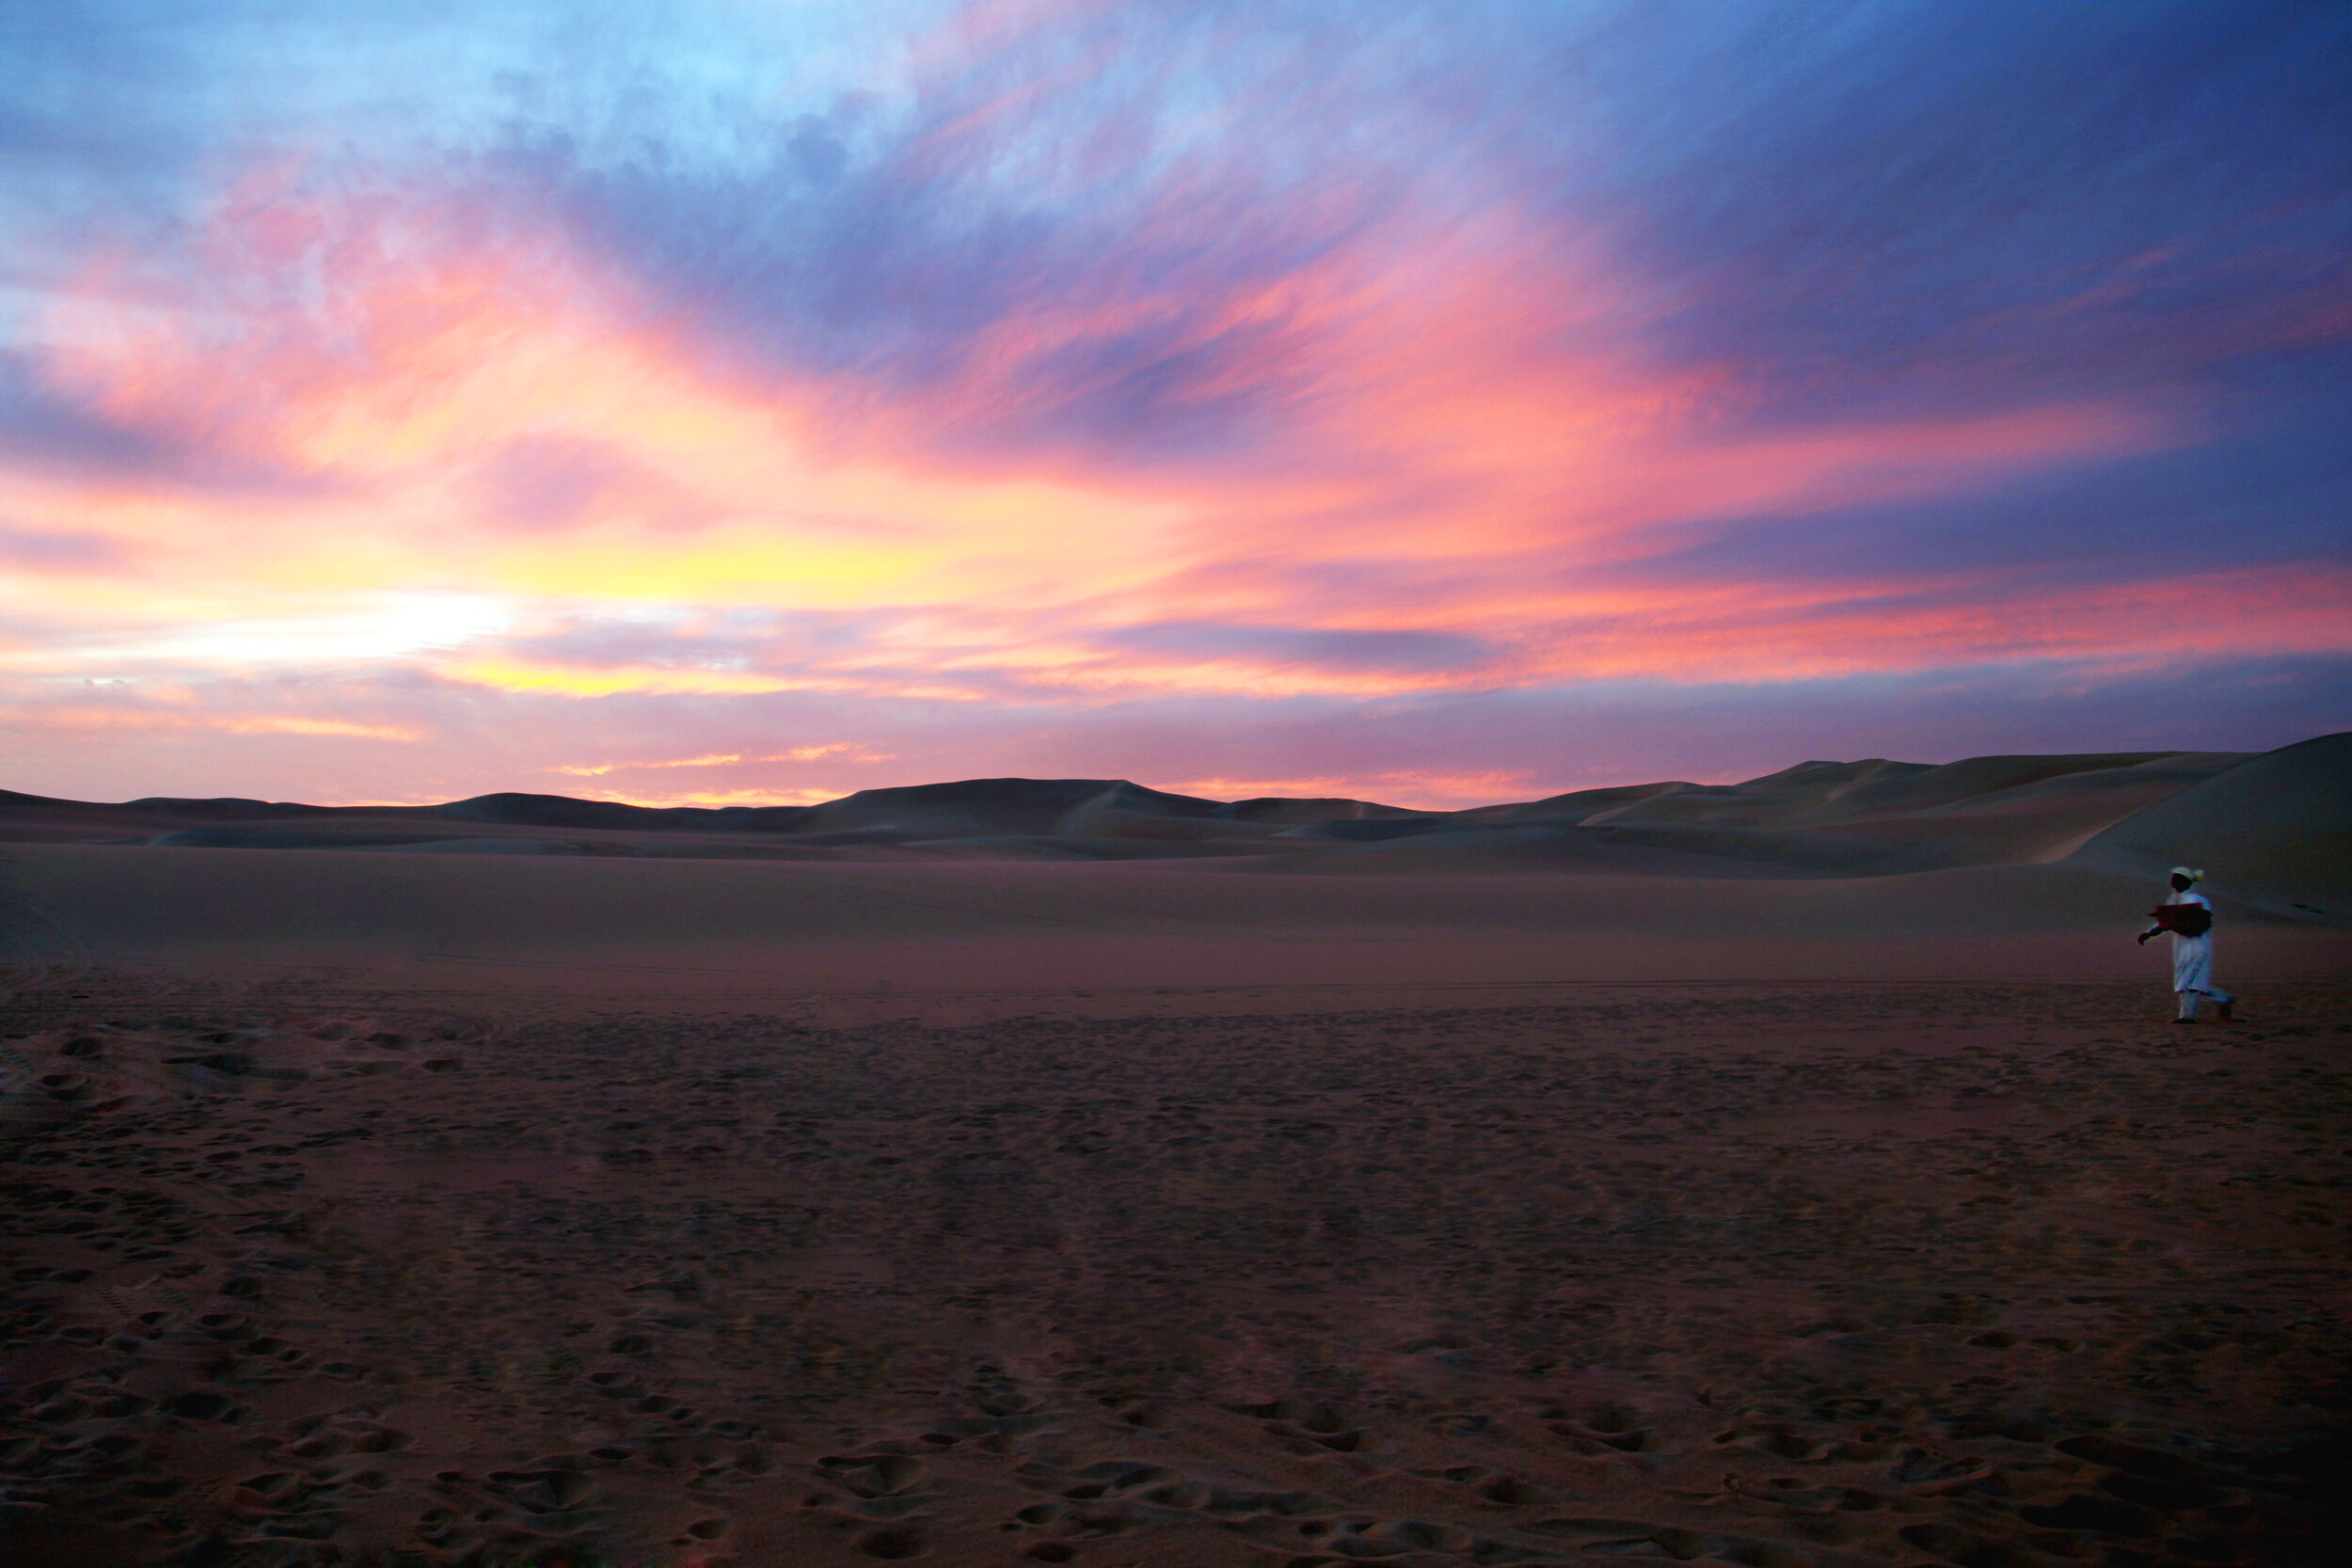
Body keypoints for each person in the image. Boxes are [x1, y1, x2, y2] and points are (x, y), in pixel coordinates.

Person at [2138, 866, 2235, 1023]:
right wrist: (2149, 933)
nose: (2174, 882)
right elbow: (2164, 922)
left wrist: (2183, 927)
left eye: (2178, 879)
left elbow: (2202, 923)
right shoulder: (2174, 900)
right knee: (2189, 981)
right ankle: (2224, 998)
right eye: (2174, 879)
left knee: (2191, 982)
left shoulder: (2198, 900)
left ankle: (2188, 1016)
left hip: (2198, 946)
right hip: (2181, 947)